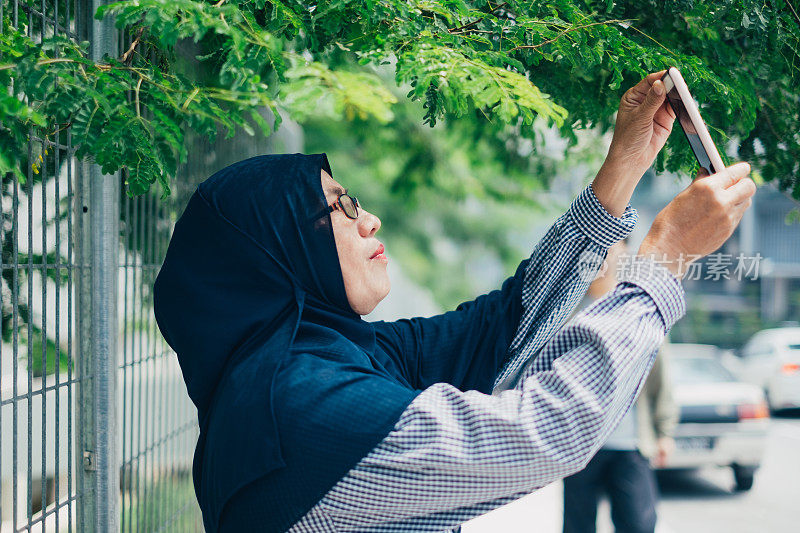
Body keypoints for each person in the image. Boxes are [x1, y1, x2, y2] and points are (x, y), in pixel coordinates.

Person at [152, 70, 756, 533]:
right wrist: (664, 257)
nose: (369, 220)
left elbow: (500, 326)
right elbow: (549, 431)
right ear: (276, 250)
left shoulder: (327, 355)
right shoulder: (300, 410)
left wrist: (622, 168)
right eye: (339, 207)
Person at [562, 240, 678, 533]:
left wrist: (664, 432)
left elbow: (659, 374)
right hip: (579, 444)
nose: (602, 253)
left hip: (630, 443)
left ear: (623, 251)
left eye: (610, 246)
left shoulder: (635, 306)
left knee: (638, 525)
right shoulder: (567, 312)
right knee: (577, 527)